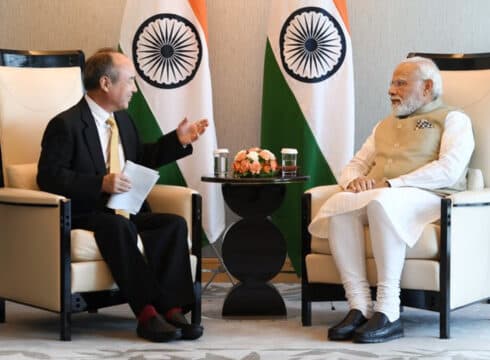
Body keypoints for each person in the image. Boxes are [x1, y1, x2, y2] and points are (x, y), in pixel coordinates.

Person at [37, 48, 208, 342]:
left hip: (125, 211)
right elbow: (49, 177)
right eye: (129, 81)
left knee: (172, 224)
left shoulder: (123, 121)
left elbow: (140, 157)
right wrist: (99, 184)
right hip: (86, 214)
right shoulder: (65, 125)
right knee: (118, 227)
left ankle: (172, 309)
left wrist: (177, 141)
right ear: (106, 83)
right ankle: (146, 313)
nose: (134, 89)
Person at [308, 56, 474, 343]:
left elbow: (450, 169)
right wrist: (352, 181)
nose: (391, 90)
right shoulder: (383, 126)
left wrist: (393, 183)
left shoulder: (453, 118)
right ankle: (359, 305)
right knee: (339, 206)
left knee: (380, 202)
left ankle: (388, 310)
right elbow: (355, 164)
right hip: (383, 195)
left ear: (427, 87)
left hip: (431, 199)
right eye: (392, 83)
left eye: (401, 83)